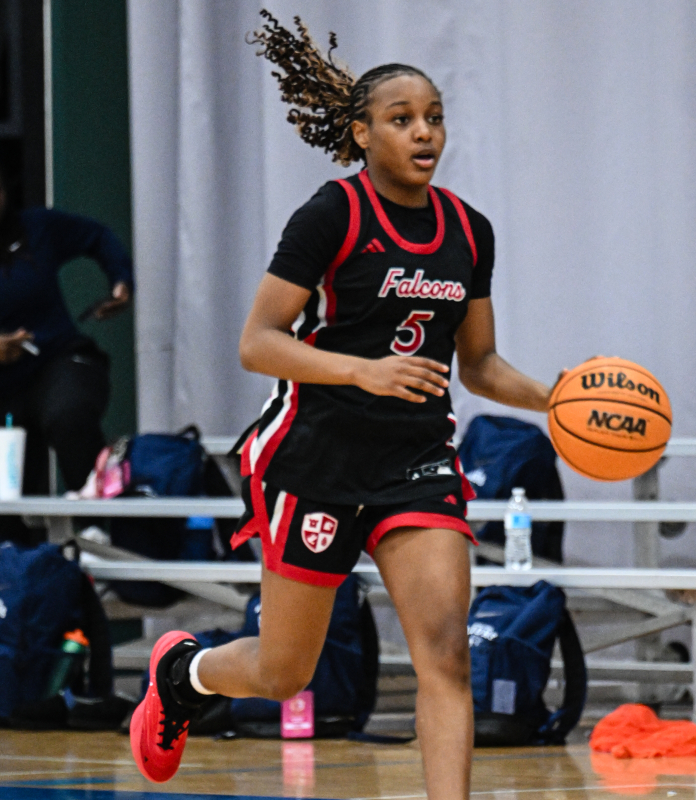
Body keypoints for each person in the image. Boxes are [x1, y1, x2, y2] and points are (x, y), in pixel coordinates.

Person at [130, 11, 561, 799]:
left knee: (446, 655)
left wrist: (560, 401)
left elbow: (481, 365)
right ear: (362, 134)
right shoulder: (332, 215)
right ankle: (186, 674)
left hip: (417, 462)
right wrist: (360, 371)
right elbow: (258, 342)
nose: (424, 133)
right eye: (402, 120)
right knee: (284, 669)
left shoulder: (470, 230)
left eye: (434, 118)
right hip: (315, 456)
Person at [0, 169, 132, 544]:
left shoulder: (35, 227)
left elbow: (97, 236)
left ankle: (98, 531)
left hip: (55, 360)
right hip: (5, 393)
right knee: (10, 504)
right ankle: (20, 571)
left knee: (68, 414)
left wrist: (120, 281)